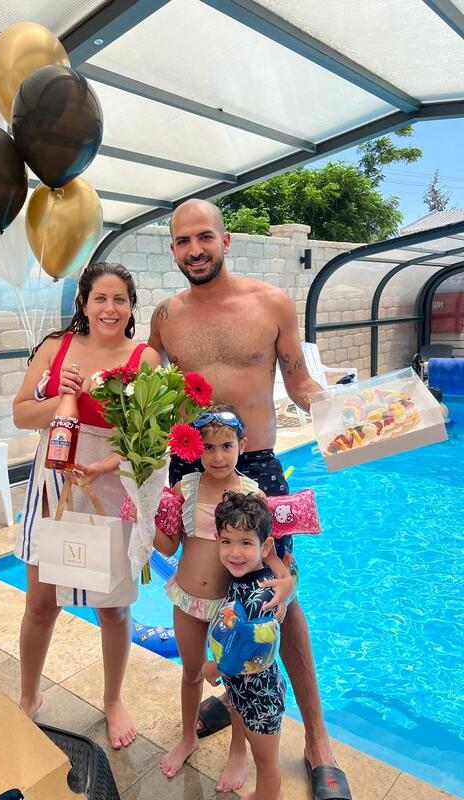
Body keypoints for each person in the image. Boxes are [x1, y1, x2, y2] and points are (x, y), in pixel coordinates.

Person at [148, 198, 352, 799]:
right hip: (190, 464)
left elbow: (299, 380)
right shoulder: (166, 316)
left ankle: (317, 739)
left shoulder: (271, 304)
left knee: (277, 595)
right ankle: (229, 684)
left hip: (257, 466)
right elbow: (140, 380)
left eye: (204, 237)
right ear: (173, 249)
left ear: (226, 240)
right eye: (183, 241)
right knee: (208, 590)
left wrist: (357, 413)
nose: (195, 250)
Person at [13, 261, 160, 749]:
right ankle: (29, 696)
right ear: (83, 302)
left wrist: (106, 464)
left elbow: (149, 442)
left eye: (120, 299)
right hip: (54, 486)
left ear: (132, 307)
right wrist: (61, 397)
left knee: (112, 609)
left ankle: (113, 700)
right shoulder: (56, 348)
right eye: (100, 298)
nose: (110, 308)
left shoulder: (144, 359)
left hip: (109, 488)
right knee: (41, 604)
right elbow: (20, 413)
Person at [153, 406, 295, 788]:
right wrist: (141, 516)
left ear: (242, 445)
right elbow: (168, 545)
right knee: (191, 671)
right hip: (187, 599)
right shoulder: (185, 488)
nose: (218, 456)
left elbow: (270, 554)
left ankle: (238, 751)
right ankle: (188, 737)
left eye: (227, 446)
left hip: (230, 608)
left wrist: (287, 584)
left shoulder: (252, 493)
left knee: (236, 682)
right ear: (196, 449)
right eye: (209, 447)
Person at [203, 491, 288, 800]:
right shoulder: (245, 580)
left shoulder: (260, 595)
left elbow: (247, 649)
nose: (235, 552)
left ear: (264, 547)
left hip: (260, 698)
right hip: (245, 692)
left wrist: (214, 667)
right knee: (262, 758)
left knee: (267, 766)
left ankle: (270, 795)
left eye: (245, 543)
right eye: (227, 541)